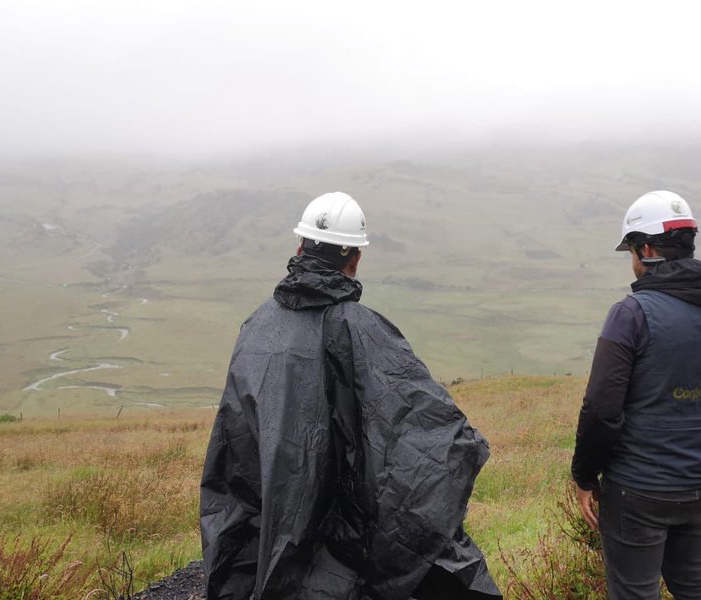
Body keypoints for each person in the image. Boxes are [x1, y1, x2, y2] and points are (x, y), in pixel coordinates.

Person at [199, 192, 501, 600]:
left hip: (264, 536)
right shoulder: (362, 329)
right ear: (354, 260)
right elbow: (425, 433)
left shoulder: (256, 327)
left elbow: (233, 448)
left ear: (300, 248)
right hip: (341, 548)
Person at [570, 190, 701, 600]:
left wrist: (585, 476)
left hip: (637, 488)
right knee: (692, 582)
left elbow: (602, 409)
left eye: (631, 252)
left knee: (635, 591)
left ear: (645, 249)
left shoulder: (631, 313)